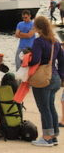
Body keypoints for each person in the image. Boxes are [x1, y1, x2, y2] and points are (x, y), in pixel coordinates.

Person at [29, 16, 64, 147]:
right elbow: (62, 59)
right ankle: (54, 136)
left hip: (43, 79)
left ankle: (47, 137)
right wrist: (61, 75)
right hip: (54, 78)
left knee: (44, 108)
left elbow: (35, 60)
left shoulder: (39, 42)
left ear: (38, 28)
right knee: (50, 107)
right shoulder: (55, 41)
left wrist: (26, 58)